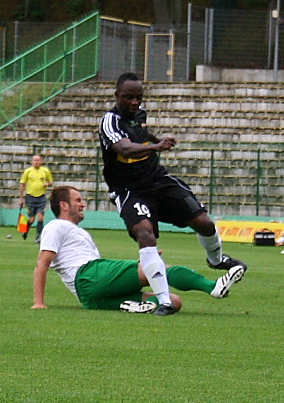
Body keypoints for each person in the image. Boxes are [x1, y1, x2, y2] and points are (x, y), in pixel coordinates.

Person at [98, 72, 247, 315]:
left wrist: (157, 138)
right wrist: (156, 146)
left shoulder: (140, 116)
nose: (135, 102)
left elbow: (142, 134)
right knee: (145, 234)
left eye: (138, 97)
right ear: (117, 96)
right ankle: (164, 301)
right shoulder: (110, 121)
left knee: (204, 222)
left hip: (158, 180)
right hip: (130, 190)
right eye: (128, 97)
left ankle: (216, 259)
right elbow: (124, 147)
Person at [31, 186, 246, 315]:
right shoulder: (57, 226)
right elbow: (42, 263)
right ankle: (213, 287)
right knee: (159, 268)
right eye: (78, 200)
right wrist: (39, 302)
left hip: (90, 298)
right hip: (88, 275)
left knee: (173, 302)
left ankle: (134, 306)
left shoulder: (72, 230)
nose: (83, 204)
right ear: (64, 205)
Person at [19, 155, 53, 243]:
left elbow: (51, 182)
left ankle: (38, 237)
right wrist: (21, 199)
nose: (36, 162)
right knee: (32, 219)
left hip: (41, 197)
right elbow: (22, 184)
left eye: (38, 160)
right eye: (35, 160)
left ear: (41, 161)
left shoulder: (45, 171)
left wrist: (47, 184)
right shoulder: (28, 171)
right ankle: (25, 229)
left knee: (40, 217)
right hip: (30, 197)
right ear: (32, 161)